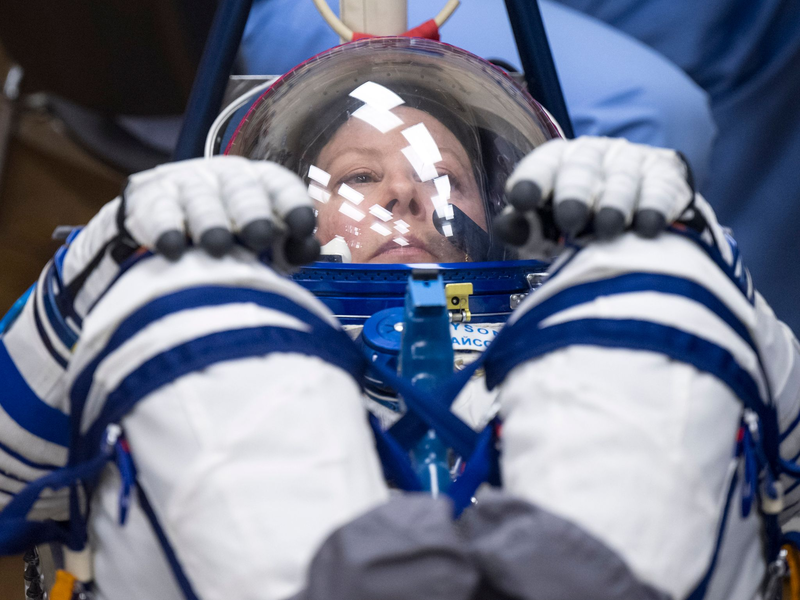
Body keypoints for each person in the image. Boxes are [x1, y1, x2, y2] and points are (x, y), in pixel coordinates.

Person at [0, 38, 796, 600]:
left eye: (443, 176)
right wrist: (93, 277)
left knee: (652, 286)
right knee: (184, 309)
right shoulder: (196, 321)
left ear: (491, 210)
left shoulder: (569, 346)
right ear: (274, 201)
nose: (408, 192)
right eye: (357, 175)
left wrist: (703, 275)